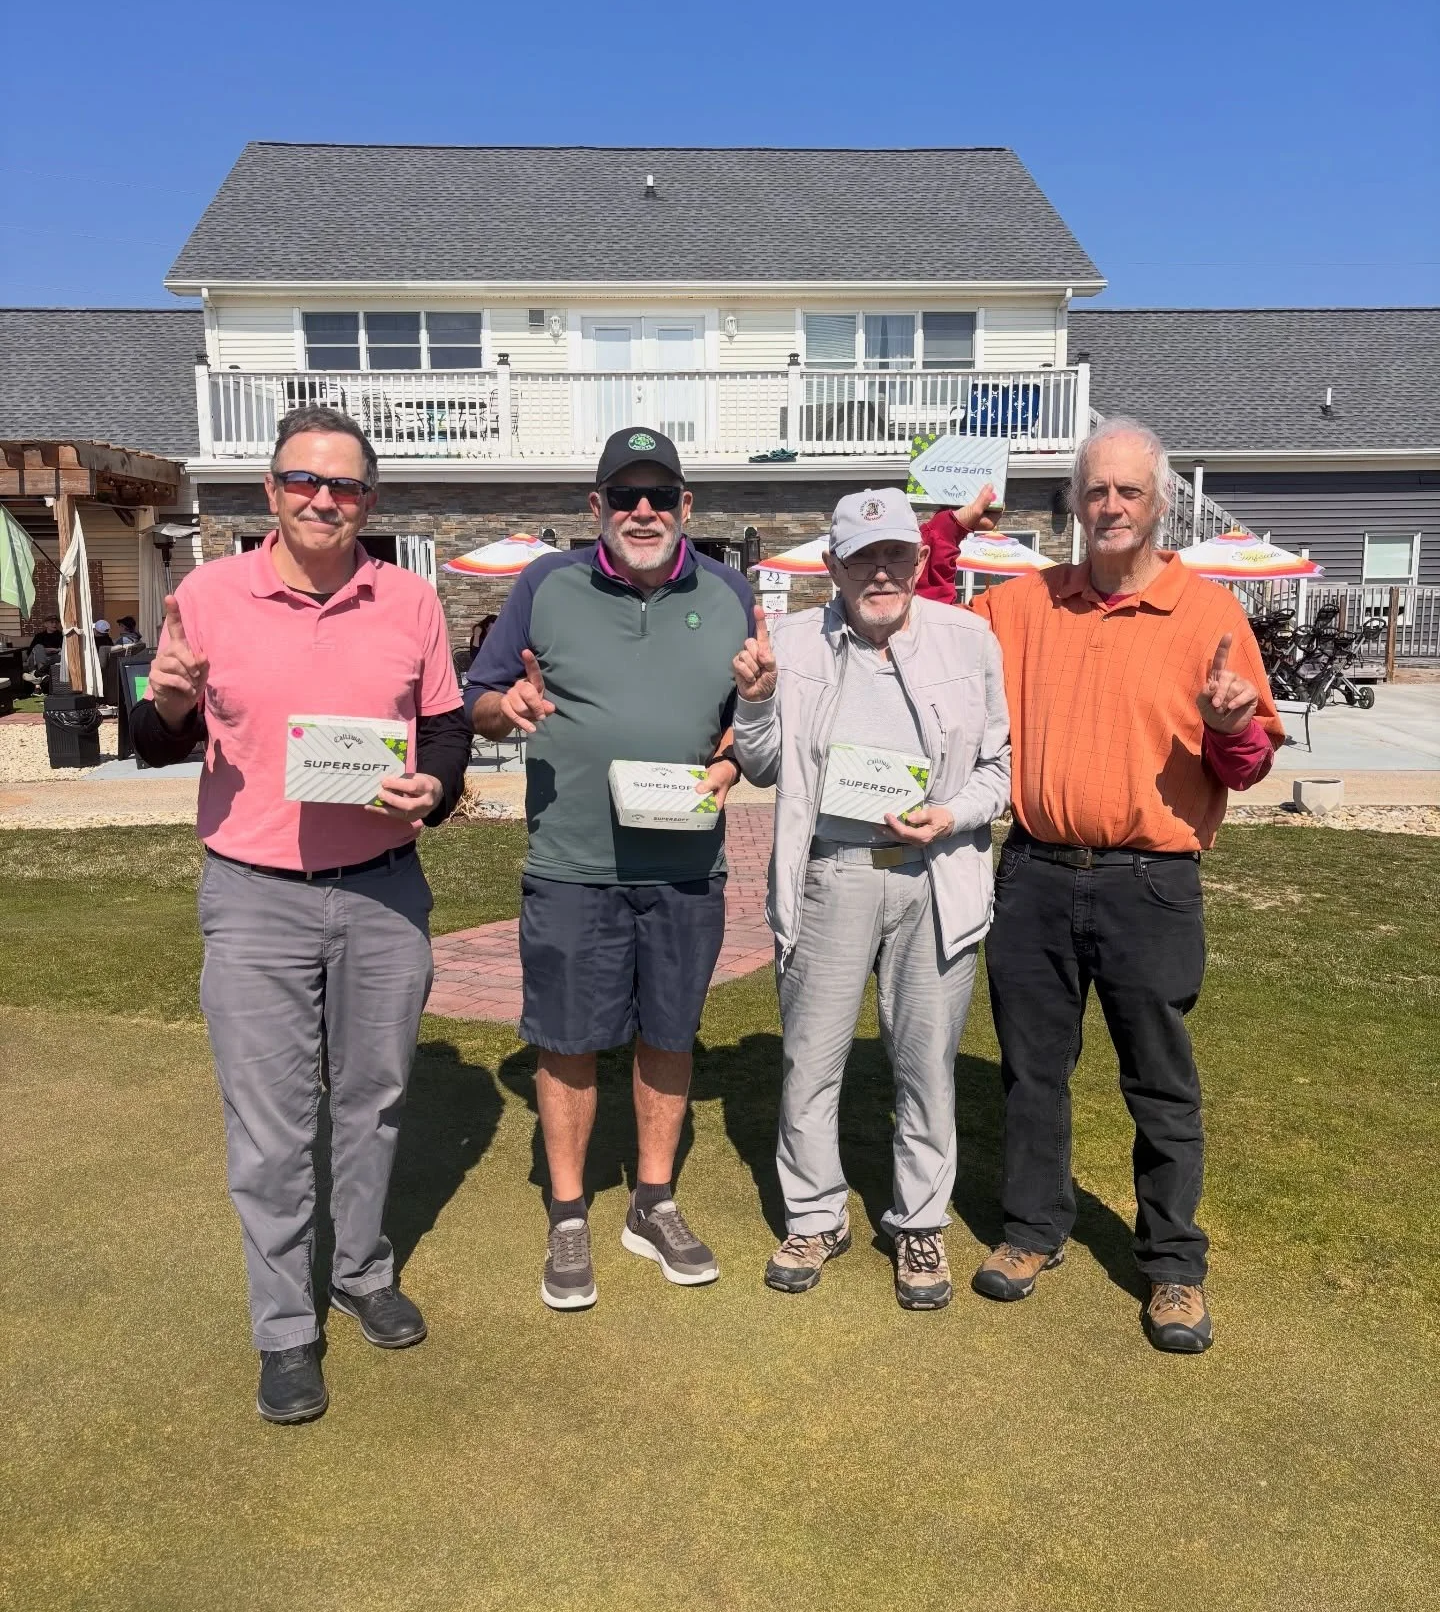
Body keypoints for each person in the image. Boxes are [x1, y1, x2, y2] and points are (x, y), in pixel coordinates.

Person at [131, 404, 471, 1424]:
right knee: (273, 1133)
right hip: (255, 898)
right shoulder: (207, 593)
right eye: (304, 482)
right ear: (272, 491)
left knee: (373, 1104)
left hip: (382, 891)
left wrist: (438, 791)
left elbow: (447, 728)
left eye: (348, 486)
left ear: (371, 500)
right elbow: (150, 737)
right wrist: (177, 702)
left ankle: (360, 1270)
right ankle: (285, 1329)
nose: (326, 500)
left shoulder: (409, 598)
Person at [961, 417, 1283, 1353]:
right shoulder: (1025, 605)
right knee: (1032, 1075)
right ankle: (1031, 1233)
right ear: (1073, 501)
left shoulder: (1209, 614)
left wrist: (1230, 727)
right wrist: (945, 532)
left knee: (1160, 1084)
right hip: (1033, 874)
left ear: (1160, 504)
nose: (1110, 506)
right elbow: (929, 623)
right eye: (1095, 489)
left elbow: (1250, 763)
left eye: (1129, 491)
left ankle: (1174, 1266)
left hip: (1154, 882)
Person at [466, 426, 753, 1312]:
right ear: (595, 507)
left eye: (659, 496)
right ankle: (566, 1211)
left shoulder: (732, 590)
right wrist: (503, 707)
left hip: (685, 866)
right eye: (624, 496)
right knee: (567, 1039)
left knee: (670, 1034)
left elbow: (752, 722)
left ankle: (652, 1202)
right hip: (572, 863)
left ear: (685, 509)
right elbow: (476, 697)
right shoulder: (545, 585)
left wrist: (733, 761)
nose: (642, 511)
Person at [731, 490, 1011, 1310]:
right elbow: (762, 765)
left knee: (925, 1065)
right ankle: (815, 1213)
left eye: (894, 554)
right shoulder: (789, 641)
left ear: (920, 562)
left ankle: (919, 1220)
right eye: (861, 557)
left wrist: (950, 813)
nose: (879, 571)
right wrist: (754, 701)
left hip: (937, 875)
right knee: (810, 1062)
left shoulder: (970, 638)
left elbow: (999, 771)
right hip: (832, 873)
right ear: (833, 568)